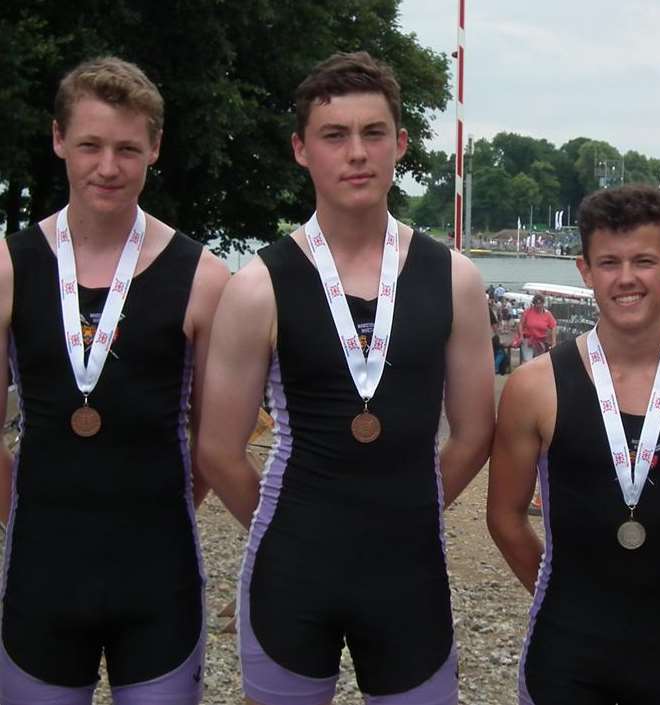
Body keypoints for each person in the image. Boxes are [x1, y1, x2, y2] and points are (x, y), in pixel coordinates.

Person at [196, 52, 494, 705]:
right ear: (302, 149)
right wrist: (286, 525)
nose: (356, 153)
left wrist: (405, 507)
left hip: (409, 568)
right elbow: (217, 448)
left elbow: (475, 433)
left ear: (400, 145)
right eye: (335, 136)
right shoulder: (258, 286)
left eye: (373, 133)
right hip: (292, 569)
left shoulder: (454, 279)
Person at [0, 57, 229, 705]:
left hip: (158, 568)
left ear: (155, 148)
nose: (108, 166)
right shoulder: (9, 267)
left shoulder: (204, 277)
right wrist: (33, 513)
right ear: (57, 140)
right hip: (43, 569)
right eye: (90, 146)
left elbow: (213, 440)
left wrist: (151, 506)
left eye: (128, 148)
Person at [487, 185, 660, 705]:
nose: (626, 279)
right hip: (565, 651)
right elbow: (504, 517)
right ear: (585, 270)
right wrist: (557, 599)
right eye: (609, 262)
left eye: (644, 261)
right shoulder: (535, 387)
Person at [519, 294, 557, 362]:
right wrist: (521, 336)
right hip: (528, 339)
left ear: (543, 303)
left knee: (539, 362)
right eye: (536, 303)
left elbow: (554, 326)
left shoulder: (547, 314)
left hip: (541, 341)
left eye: (540, 303)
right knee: (528, 361)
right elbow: (520, 324)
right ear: (534, 303)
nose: (538, 305)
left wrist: (554, 342)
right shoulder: (528, 311)